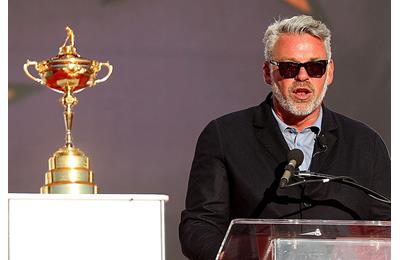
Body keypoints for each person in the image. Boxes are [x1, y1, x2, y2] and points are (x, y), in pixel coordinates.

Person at [179, 15, 390, 260]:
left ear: (329, 72)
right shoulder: (224, 136)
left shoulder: (366, 144)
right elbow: (199, 227)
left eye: (315, 67)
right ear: (268, 73)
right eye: (290, 67)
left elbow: (386, 227)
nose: (303, 77)